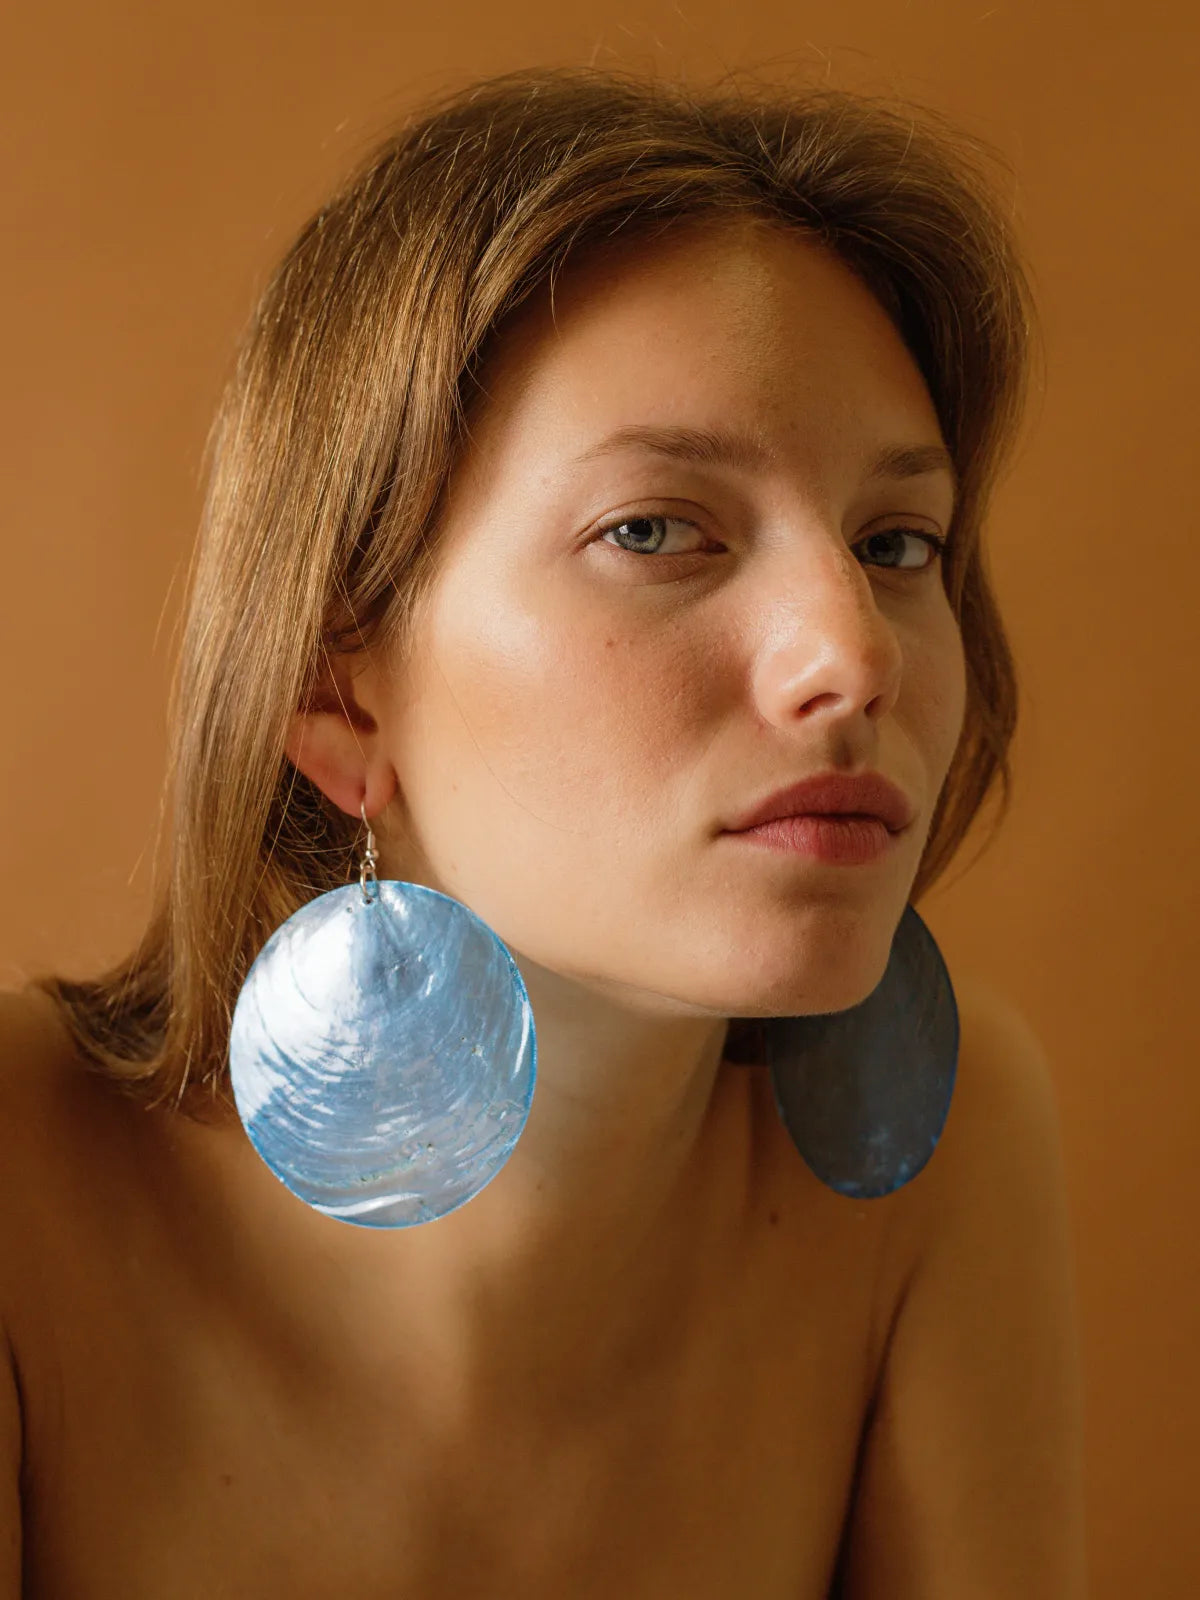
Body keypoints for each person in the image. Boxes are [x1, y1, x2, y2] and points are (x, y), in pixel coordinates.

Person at [0, 64, 1086, 1597]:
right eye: (653, 529)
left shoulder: (949, 1160)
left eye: (897, 542)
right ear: (336, 693)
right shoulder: (19, 1181)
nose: (854, 654)